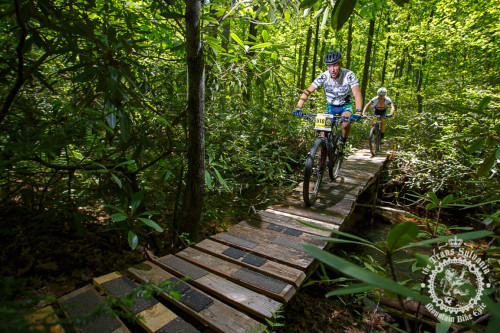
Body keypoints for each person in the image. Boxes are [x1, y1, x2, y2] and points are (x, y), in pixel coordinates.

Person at [293, 50, 363, 145]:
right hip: (331, 107)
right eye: (329, 66)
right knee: (323, 133)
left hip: (345, 106)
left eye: (335, 65)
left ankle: (343, 142)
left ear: (341, 64)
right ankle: (321, 155)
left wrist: (358, 111)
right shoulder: (324, 76)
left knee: (345, 124)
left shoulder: (349, 75)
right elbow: (308, 91)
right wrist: (298, 107)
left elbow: (357, 93)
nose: (332, 69)